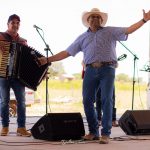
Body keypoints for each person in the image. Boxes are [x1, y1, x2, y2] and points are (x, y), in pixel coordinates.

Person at [38, 8, 150, 144]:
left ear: (102, 20)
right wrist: (48, 59)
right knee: (87, 101)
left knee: (106, 100)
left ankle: (106, 133)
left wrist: (144, 20)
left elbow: (128, 30)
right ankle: (93, 132)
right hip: (90, 70)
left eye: (98, 16)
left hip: (107, 69)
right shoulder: (82, 37)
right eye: (92, 17)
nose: (95, 18)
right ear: (87, 20)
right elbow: (67, 52)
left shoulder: (110, 31)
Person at [0, 14, 31, 136]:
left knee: (22, 102)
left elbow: (28, 59)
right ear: (8, 24)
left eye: (18, 23)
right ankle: (5, 127)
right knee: (4, 101)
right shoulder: (1, 37)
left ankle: (21, 127)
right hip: (3, 74)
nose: (15, 25)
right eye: (13, 22)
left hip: (18, 77)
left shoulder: (23, 41)